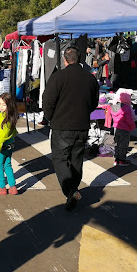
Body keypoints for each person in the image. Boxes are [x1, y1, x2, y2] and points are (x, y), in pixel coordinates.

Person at [42, 47, 99, 211]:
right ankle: (73, 189)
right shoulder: (90, 78)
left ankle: (71, 190)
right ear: (79, 59)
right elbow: (93, 102)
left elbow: (48, 101)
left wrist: (51, 117)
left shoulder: (58, 77)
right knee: (76, 159)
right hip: (81, 125)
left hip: (62, 125)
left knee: (60, 158)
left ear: (65, 60)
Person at [111, 89, 136, 167]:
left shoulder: (114, 106)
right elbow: (129, 120)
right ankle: (122, 160)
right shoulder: (127, 108)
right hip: (125, 129)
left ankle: (117, 159)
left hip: (116, 127)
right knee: (123, 145)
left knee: (117, 144)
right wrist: (132, 127)